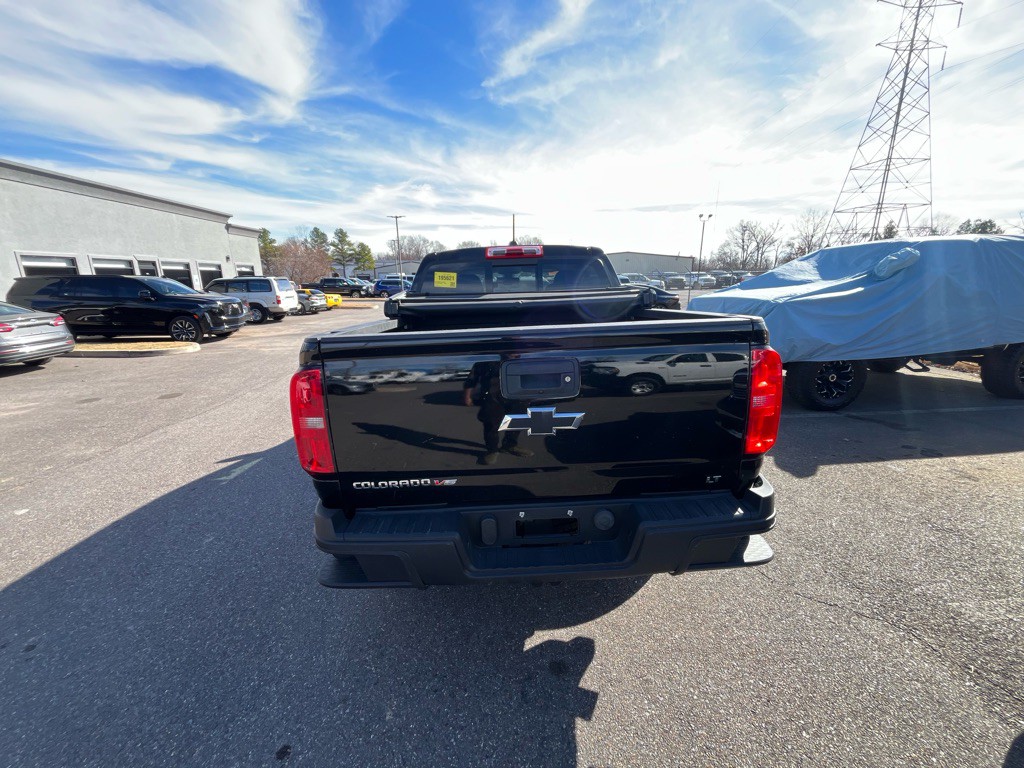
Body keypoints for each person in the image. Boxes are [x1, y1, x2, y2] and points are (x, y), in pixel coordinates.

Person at [463, 361, 534, 465]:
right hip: (492, 397)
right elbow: (471, 379)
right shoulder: (486, 361)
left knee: (516, 422)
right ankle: (492, 450)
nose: (514, 354)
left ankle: (510, 445)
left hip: (517, 397)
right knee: (491, 424)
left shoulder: (520, 361)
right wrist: (467, 396)